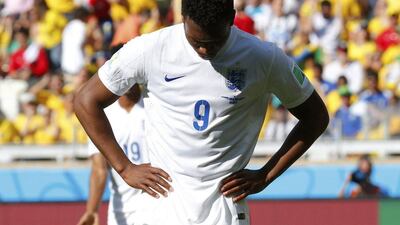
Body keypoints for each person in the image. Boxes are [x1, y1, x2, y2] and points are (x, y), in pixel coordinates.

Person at [74, 0, 329, 224]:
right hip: (163, 206)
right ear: (183, 17)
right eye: (197, 42)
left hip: (225, 208)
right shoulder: (150, 49)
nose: (205, 50)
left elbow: (316, 117)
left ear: (231, 18)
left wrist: (266, 175)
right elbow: (85, 100)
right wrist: (125, 168)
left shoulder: (264, 57)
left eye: (214, 41)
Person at [77, 85, 146, 225]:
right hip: (121, 212)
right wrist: (91, 210)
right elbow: (99, 170)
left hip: (156, 204)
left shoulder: (154, 106)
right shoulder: (102, 115)